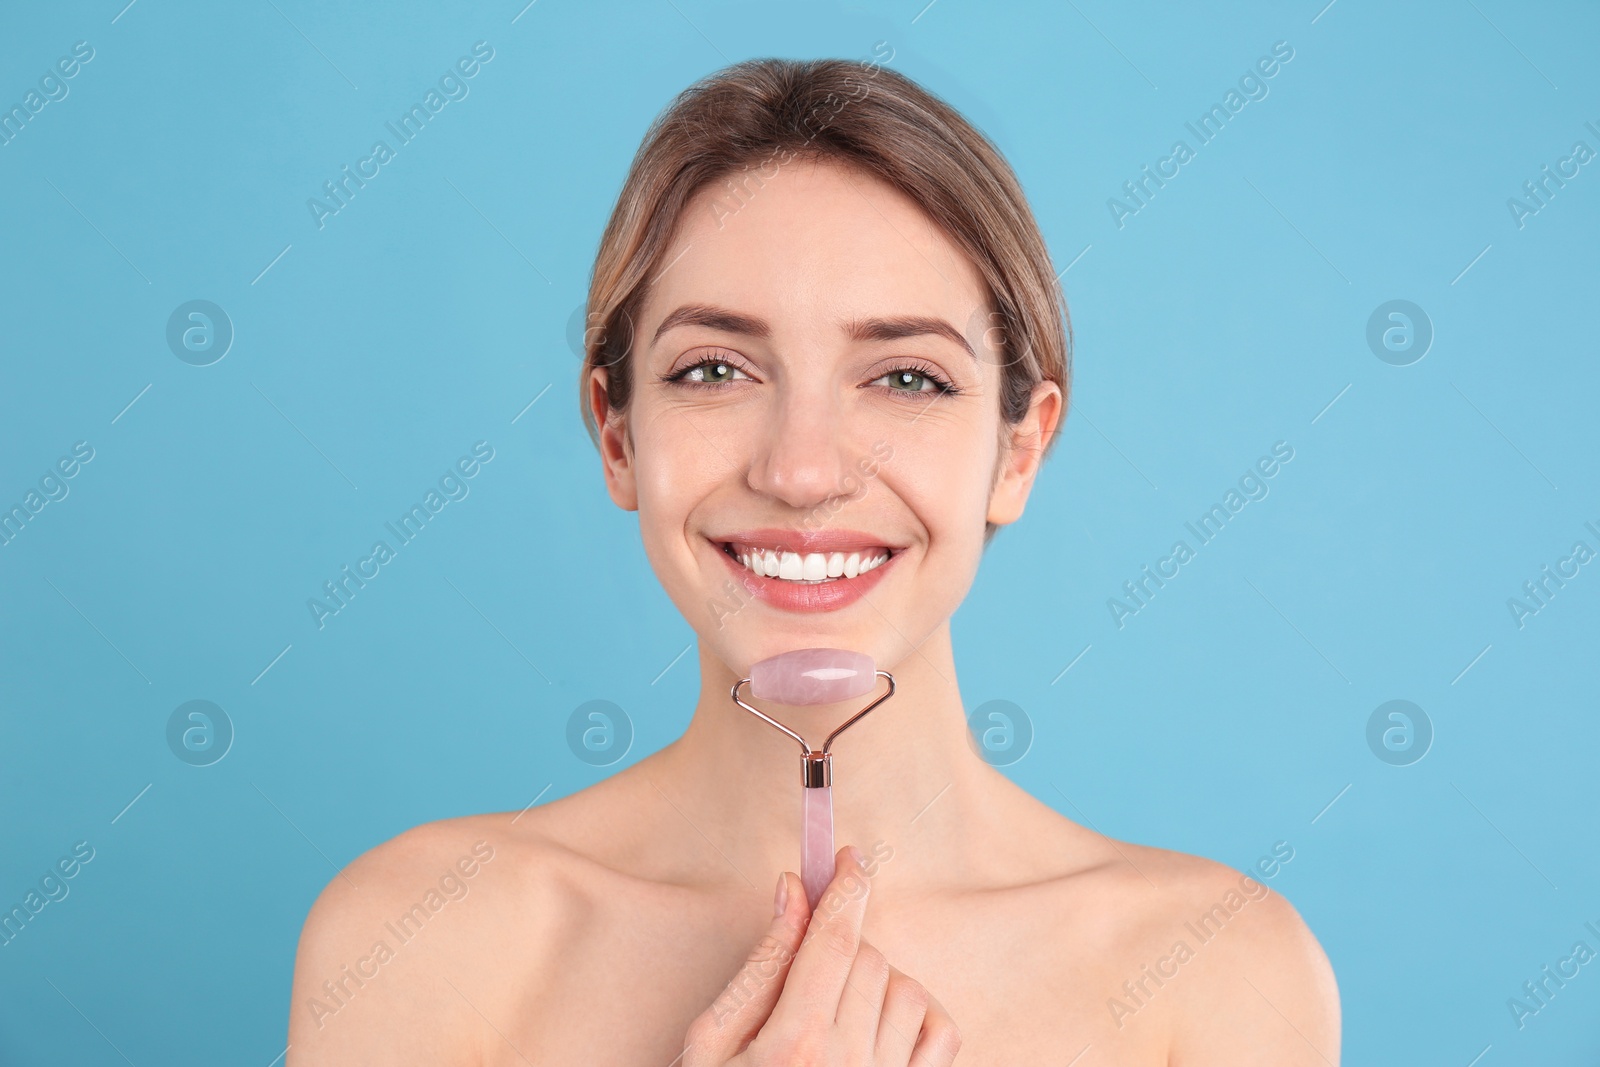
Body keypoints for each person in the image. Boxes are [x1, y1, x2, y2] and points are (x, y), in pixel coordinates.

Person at [288, 56, 1339, 1064]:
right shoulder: (420, 946)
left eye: (906, 378)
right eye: (713, 368)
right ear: (617, 435)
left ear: (1018, 450)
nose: (802, 471)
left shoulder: (1218, 972)